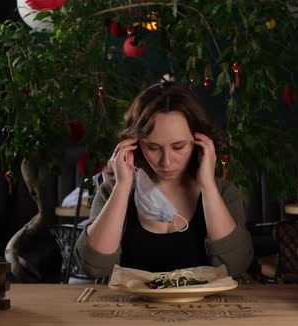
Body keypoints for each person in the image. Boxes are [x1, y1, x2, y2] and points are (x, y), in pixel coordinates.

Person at [74, 81, 254, 279]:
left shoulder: (223, 193)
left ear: (200, 143)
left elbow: (235, 265)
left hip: (206, 308)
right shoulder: (111, 192)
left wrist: (208, 186)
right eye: (153, 147)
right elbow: (95, 268)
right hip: (130, 309)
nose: (166, 162)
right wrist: (123, 186)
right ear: (133, 144)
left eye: (178, 147)